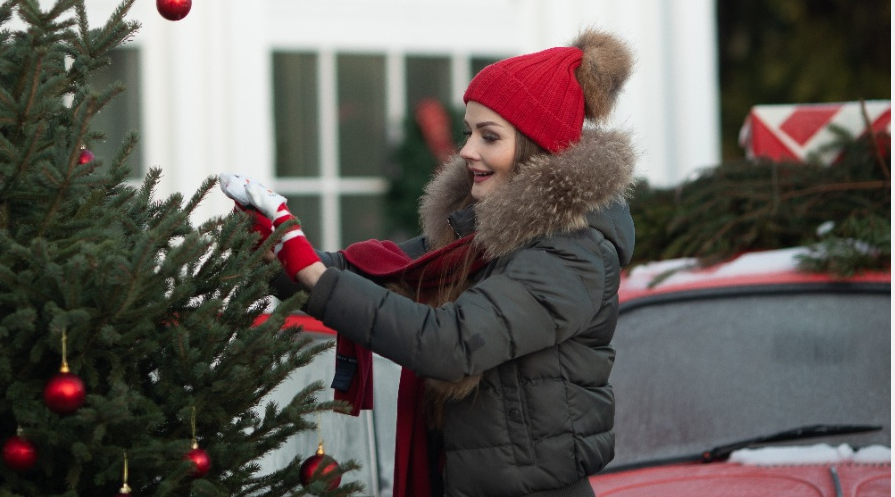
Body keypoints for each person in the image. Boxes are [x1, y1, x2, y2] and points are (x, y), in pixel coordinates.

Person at [219, 28, 637, 497]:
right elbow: (383, 271)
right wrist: (275, 248)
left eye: (489, 136)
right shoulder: (479, 236)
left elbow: (451, 344)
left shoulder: (572, 253)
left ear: (537, 152)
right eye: (468, 131)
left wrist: (312, 274)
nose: (466, 151)